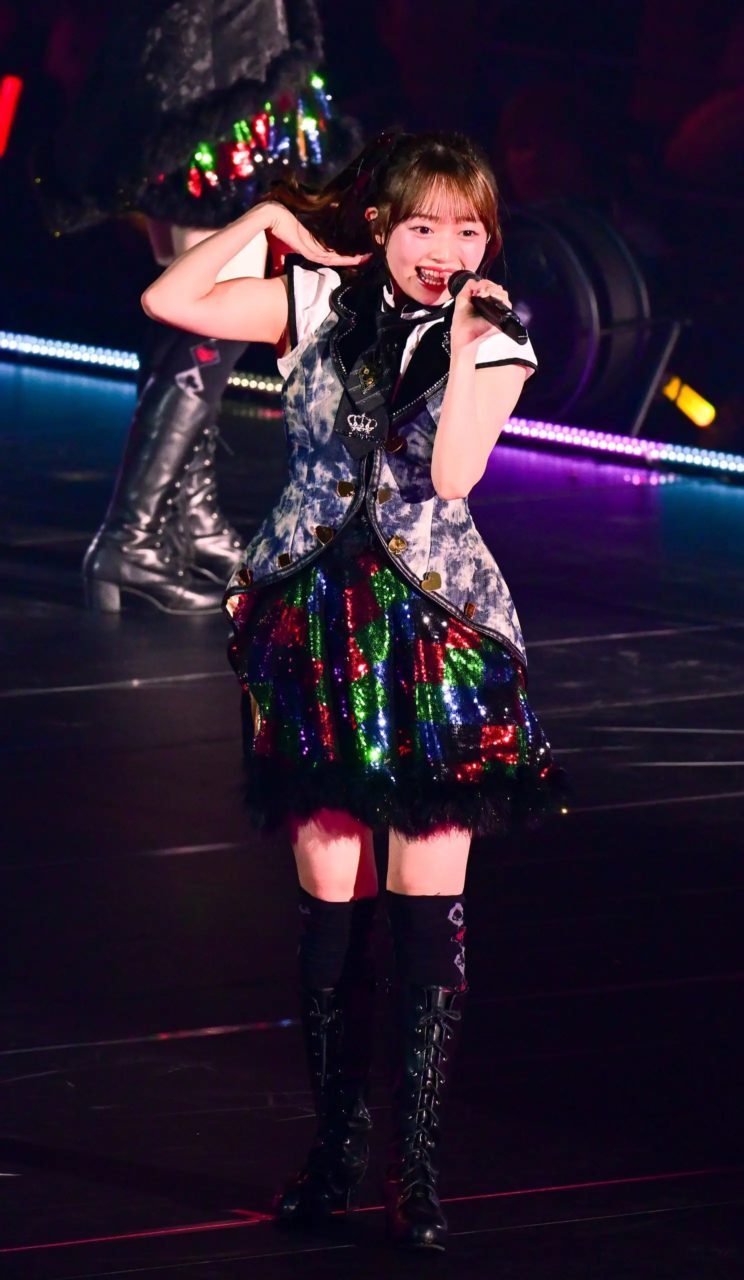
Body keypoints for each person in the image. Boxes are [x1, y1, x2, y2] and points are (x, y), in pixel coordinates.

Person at [141, 130, 566, 1251]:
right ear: (379, 227)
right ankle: (334, 1147)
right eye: (422, 225)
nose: (444, 249)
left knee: (425, 904)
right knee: (331, 900)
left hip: (435, 638)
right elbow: (169, 297)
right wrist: (264, 225)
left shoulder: (497, 337)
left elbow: (451, 476)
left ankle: (413, 1167)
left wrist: (467, 346)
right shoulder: (316, 305)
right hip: (312, 630)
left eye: (466, 229)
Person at [35, 0, 359, 613]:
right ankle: (130, 537)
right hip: (215, 114)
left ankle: (185, 518)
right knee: (213, 317)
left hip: (219, 103)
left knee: (196, 320)